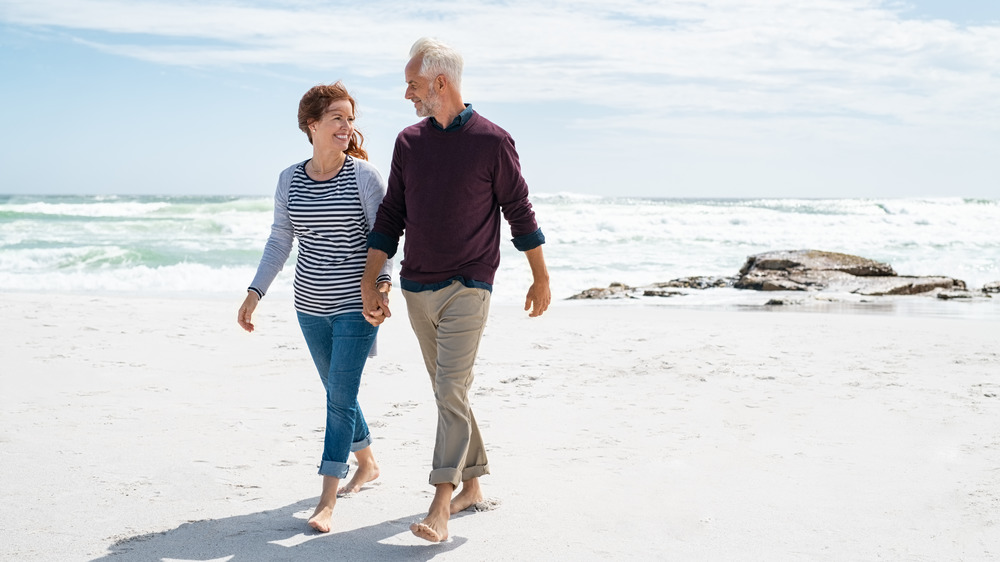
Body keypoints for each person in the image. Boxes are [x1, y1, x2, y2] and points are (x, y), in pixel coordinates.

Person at [360, 37, 551, 543]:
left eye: (413, 85)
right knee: (452, 393)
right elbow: (391, 216)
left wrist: (541, 275)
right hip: (416, 287)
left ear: (439, 83)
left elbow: (520, 211)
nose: (407, 94)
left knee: (449, 390)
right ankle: (472, 485)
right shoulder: (409, 143)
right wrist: (371, 277)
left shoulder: (492, 141)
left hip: (469, 284)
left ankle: (441, 504)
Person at [237, 82, 392, 534]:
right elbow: (280, 240)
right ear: (313, 125)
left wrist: (382, 284)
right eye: (338, 118)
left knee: (339, 398)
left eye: (350, 119)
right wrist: (255, 291)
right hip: (308, 305)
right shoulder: (289, 178)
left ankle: (327, 499)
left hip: (355, 305)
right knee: (336, 393)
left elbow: (383, 240)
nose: (348, 127)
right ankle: (368, 463)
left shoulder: (364, 176)